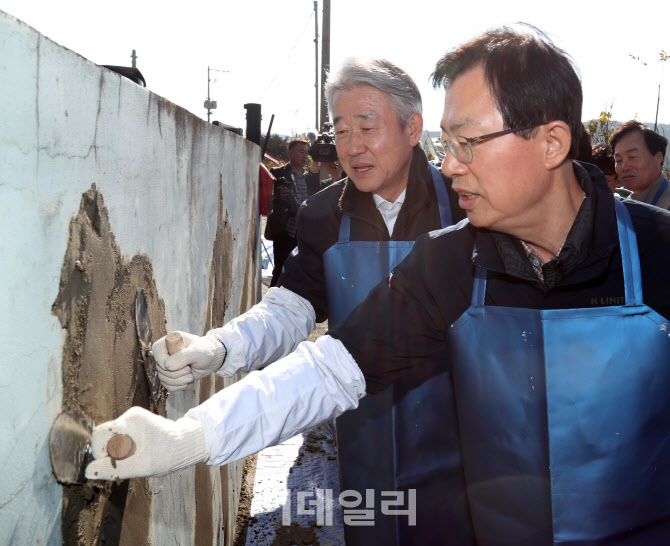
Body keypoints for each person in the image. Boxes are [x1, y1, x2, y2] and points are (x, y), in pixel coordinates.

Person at [86, 27, 670, 543]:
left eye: (468, 143)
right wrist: (189, 437)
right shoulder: (450, 259)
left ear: (552, 143)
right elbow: (330, 368)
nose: (450, 164)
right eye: (449, 145)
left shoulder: (658, 251)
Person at [88, 57, 466, 545]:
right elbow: (291, 308)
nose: (352, 146)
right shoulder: (326, 213)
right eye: (341, 129)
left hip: (459, 435)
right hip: (361, 420)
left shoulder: (465, 206)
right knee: (375, 525)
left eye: (367, 127)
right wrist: (221, 348)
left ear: (413, 127)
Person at [266, 139, 321, 286]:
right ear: (290, 153)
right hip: (284, 231)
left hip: (304, 234)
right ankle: (273, 303)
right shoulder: (277, 173)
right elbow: (265, 199)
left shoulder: (309, 177)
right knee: (280, 271)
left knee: (302, 273)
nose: (305, 156)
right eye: (301, 151)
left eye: (307, 153)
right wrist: (276, 195)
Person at [611, 120, 670, 209]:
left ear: (658, 157)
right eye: (618, 160)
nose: (624, 167)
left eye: (632, 157)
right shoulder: (624, 206)